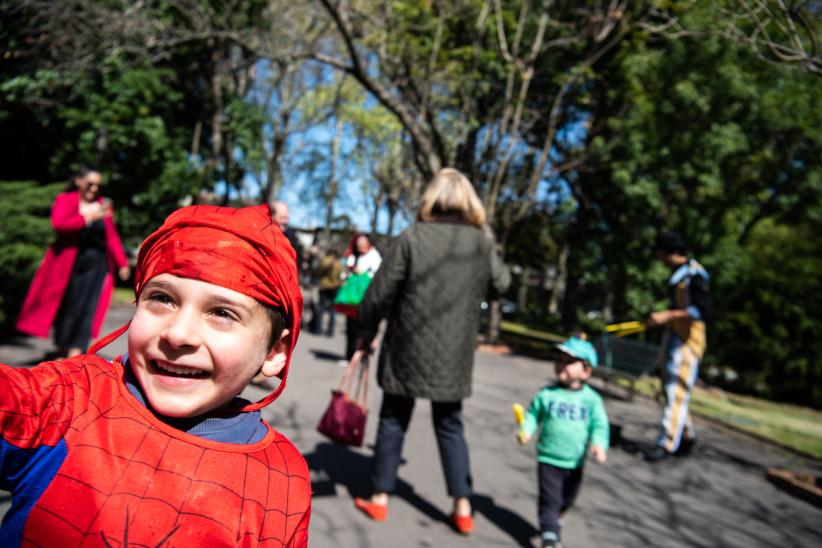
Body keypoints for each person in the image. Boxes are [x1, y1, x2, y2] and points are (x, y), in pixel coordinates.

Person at [0, 204, 310, 546]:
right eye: (162, 298)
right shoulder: (71, 398)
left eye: (222, 312)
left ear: (274, 352)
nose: (177, 334)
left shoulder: (282, 477)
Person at [352, 168, 511, 535]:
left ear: (431, 198)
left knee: (393, 418)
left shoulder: (412, 237)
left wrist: (365, 331)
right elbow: (503, 284)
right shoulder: (480, 244)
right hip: (454, 354)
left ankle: (379, 499)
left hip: (406, 344)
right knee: (450, 425)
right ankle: (463, 506)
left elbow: (378, 294)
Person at [16, 167, 130, 358]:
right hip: (68, 265)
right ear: (78, 181)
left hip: (96, 265)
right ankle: (62, 347)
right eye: (90, 184)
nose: (94, 189)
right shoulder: (66, 200)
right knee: (68, 306)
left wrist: (122, 263)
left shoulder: (102, 204)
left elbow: (111, 236)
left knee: (87, 307)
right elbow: (59, 224)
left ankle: (76, 352)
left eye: (97, 185)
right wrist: (88, 217)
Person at [517, 337, 609, 548]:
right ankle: (550, 536)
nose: (561, 364)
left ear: (586, 370)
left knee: (567, 499)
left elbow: (600, 425)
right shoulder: (547, 394)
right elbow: (532, 415)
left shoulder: (592, 400)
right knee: (550, 499)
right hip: (548, 457)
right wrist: (526, 430)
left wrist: (599, 444)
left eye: (568, 361)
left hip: (575, 461)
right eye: (558, 360)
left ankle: (554, 518)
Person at [644, 231, 711, 462]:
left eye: (661, 254)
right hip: (673, 336)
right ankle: (686, 435)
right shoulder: (679, 275)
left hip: (688, 340)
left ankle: (667, 442)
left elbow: (701, 311)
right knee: (670, 389)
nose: (660, 260)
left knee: (676, 390)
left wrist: (668, 315)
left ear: (671, 253)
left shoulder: (695, 275)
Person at [341, 233, 382, 361]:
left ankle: (362, 354)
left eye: (363, 245)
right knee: (350, 327)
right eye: (359, 246)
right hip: (352, 296)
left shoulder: (374, 256)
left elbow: (377, 274)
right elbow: (345, 271)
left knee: (363, 327)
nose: (361, 248)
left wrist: (364, 273)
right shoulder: (353, 256)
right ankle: (349, 356)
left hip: (366, 296)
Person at [311, 248, 344, 336]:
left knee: (321, 307)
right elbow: (342, 275)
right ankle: (330, 331)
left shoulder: (325, 260)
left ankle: (317, 329)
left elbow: (318, 272)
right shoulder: (339, 263)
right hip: (335, 287)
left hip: (324, 286)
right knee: (333, 310)